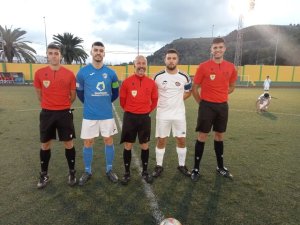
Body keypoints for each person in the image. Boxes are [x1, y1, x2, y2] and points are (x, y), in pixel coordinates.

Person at [191, 37, 237, 182]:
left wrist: (221, 94)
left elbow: (232, 86)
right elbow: (194, 88)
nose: (217, 50)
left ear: (225, 49)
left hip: (222, 106)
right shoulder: (203, 66)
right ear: (211, 49)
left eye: (220, 47)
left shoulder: (231, 67)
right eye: (215, 47)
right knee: (202, 136)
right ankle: (196, 169)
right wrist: (202, 103)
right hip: (206, 106)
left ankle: (220, 167)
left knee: (219, 136)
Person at [34, 43, 77, 189]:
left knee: (69, 143)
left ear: (61, 56)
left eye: (56, 53)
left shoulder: (69, 74)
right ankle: (44, 174)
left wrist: (62, 105)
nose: (53, 55)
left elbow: (72, 96)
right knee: (45, 144)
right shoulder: (39, 73)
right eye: (51, 53)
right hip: (47, 114)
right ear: (47, 54)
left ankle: (72, 172)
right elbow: (39, 94)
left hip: (64, 113)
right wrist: (50, 105)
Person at [76, 41, 119, 185]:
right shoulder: (82, 72)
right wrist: (90, 104)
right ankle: (87, 171)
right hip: (89, 115)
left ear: (104, 53)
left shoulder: (111, 73)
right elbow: (80, 93)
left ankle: (109, 169)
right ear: (91, 52)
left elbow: (115, 93)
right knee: (88, 142)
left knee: (108, 140)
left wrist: (105, 102)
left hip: (106, 114)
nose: (98, 52)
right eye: (96, 50)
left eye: (101, 50)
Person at [152, 49, 192, 178]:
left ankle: (181, 165)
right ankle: (159, 166)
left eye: (174, 58)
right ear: (165, 60)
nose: (171, 60)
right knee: (161, 139)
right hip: (162, 114)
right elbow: (152, 93)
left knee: (181, 139)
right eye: (169, 58)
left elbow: (188, 92)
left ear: (177, 60)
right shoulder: (157, 76)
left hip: (179, 114)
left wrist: (178, 100)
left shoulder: (184, 76)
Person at [119, 55, 158, 185]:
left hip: (144, 117)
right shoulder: (127, 82)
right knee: (128, 145)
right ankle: (126, 173)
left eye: (143, 63)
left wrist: (146, 110)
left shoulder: (151, 82)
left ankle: (145, 172)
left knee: (145, 145)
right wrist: (132, 110)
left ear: (146, 65)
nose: (141, 65)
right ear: (134, 65)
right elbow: (122, 102)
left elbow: (155, 100)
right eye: (138, 63)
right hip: (130, 117)